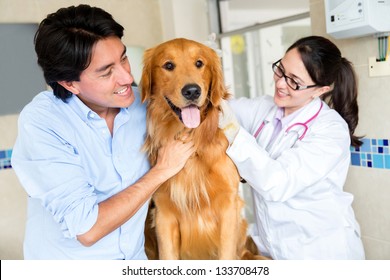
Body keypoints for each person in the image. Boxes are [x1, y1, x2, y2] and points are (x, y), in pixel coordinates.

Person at [11, 4, 195, 259]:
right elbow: (87, 228)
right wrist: (161, 171)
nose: (126, 78)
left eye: (123, 58)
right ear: (69, 83)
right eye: (107, 72)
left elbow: (211, 118)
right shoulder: (43, 122)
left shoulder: (145, 105)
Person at [219, 35, 365, 259]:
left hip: (323, 252)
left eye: (294, 82)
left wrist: (232, 130)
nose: (280, 83)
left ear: (319, 90)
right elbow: (218, 110)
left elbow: (277, 184)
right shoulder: (264, 108)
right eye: (280, 70)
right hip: (278, 248)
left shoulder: (330, 130)